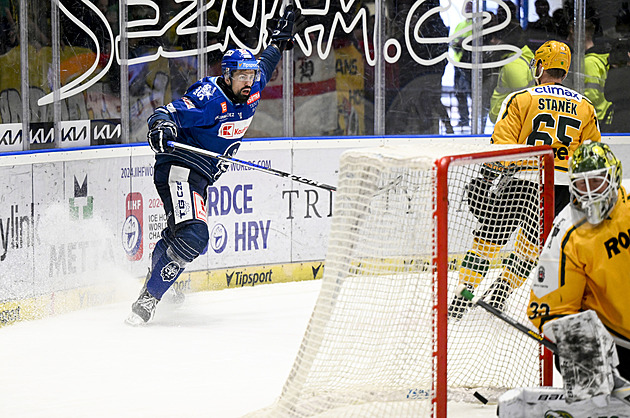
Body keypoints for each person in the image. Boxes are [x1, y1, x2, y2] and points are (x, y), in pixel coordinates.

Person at [125, 6, 306, 325]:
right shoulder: (210, 97)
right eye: (242, 76)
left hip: (199, 178)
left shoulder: (253, 87)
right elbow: (166, 113)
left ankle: (159, 278)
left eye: (251, 75)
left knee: (180, 236)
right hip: (178, 166)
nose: (249, 80)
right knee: (194, 235)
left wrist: (279, 41)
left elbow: (267, 61)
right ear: (227, 76)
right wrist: (161, 128)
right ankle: (150, 298)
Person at [448, 40, 601, 320]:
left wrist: (487, 177)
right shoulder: (586, 108)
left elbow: (502, 146)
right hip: (561, 190)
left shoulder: (522, 99)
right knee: (531, 248)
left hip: (522, 181)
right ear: (565, 71)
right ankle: (502, 292)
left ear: (540, 66)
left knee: (489, 240)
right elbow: (591, 157)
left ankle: (463, 294)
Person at [528, 141, 630, 384]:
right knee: (572, 354)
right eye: (581, 184)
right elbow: (550, 310)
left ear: (614, 177)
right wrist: (589, 357)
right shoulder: (566, 232)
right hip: (617, 346)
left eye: (596, 181)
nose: (590, 192)